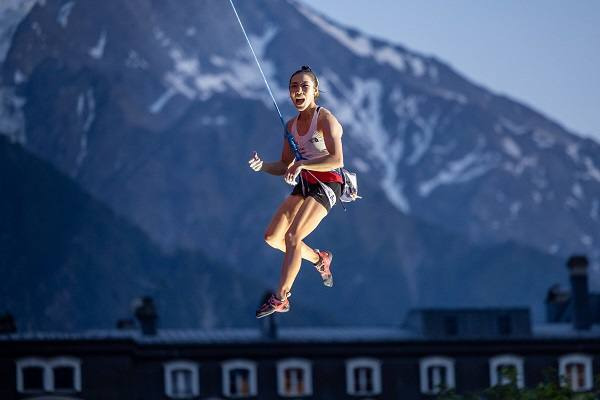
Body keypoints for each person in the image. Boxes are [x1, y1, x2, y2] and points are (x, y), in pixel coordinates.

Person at [249, 66, 344, 318]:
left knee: (293, 236)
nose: (298, 91)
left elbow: (337, 159)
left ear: (315, 92)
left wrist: (302, 164)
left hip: (328, 182)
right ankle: (319, 259)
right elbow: (283, 165)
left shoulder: (325, 119)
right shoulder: (290, 126)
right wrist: (263, 166)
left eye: (304, 86)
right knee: (272, 237)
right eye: (294, 87)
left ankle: (281, 297)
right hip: (305, 182)